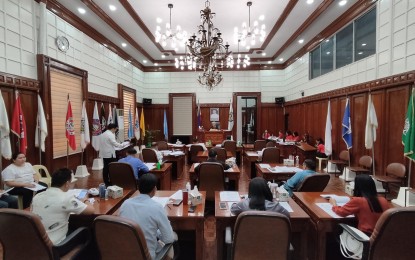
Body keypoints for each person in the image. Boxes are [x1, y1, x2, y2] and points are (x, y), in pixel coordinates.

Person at [120, 173, 177, 259]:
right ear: (154, 189)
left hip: (125, 253)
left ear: (139, 188)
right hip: (146, 256)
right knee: (170, 243)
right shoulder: (157, 207)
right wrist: (158, 232)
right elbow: (168, 239)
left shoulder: (125, 204)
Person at [31, 168, 94, 244]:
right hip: (57, 244)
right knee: (86, 231)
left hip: (37, 242)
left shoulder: (37, 196)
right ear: (67, 184)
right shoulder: (66, 198)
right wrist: (85, 200)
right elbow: (91, 210)